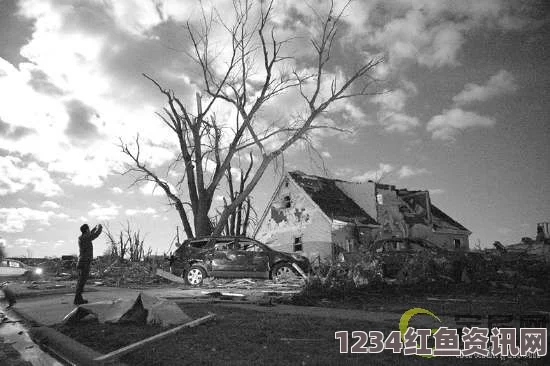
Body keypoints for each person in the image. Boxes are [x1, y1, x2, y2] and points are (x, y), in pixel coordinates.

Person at [74, 223, 102, 305]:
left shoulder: (83, 237)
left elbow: (91, 233)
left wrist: (94, 227)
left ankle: (78, 298)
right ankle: (77, 299)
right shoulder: (86, 238)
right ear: (86, 230)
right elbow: (95, 234)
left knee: (80, 281)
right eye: (88, 229)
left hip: (82, 262)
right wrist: (99, 227)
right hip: (85, 262)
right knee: (81, 282)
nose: (90, 230)